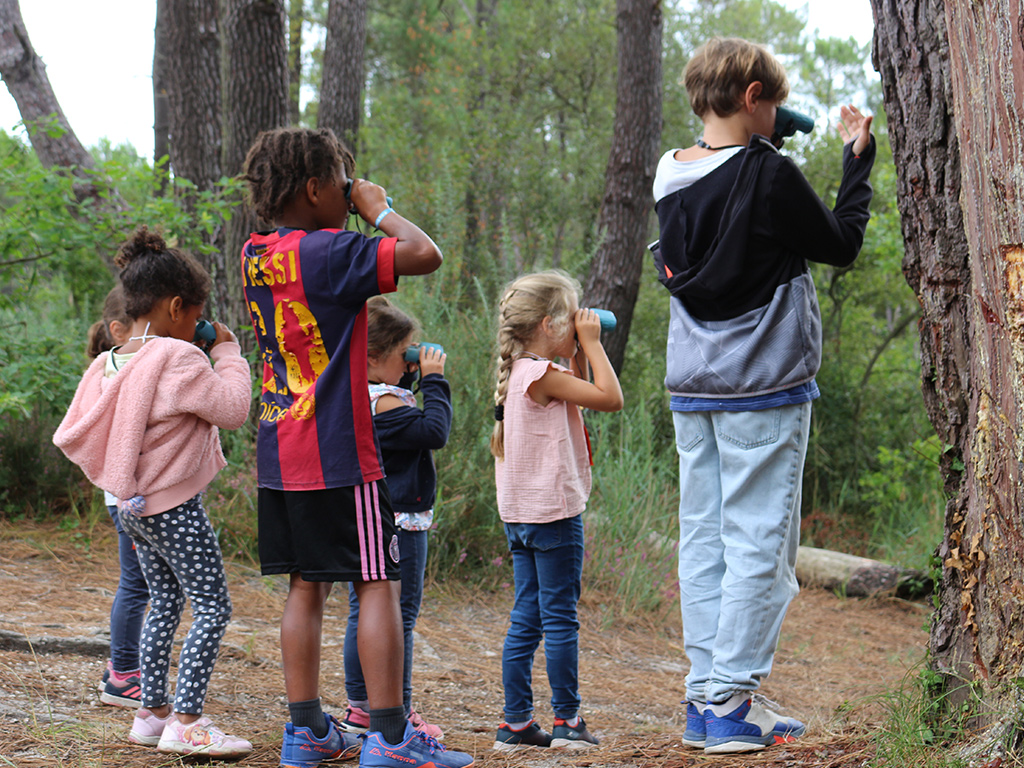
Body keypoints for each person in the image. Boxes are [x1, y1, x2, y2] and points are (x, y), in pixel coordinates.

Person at [651, 37, 875, 755]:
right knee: (758, 547)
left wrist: (779, 135)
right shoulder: (768, 172)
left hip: (694, 382)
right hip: (764, 385)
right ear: (752, 98)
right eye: (772, 102)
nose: (778, 115)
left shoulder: (669, 173)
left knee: (707, 538)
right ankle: (730, 706)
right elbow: (839, 243)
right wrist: (856, 162)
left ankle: (703, 696)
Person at [240, 126, 473, 768]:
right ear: (314, 188)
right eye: (343, 183)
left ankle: (306, 729)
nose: (351, 193)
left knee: (305, 585)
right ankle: (392, 738)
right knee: (378, 584)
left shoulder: (255, 253)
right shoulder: (333, 252)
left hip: (279, 446)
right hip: (340, 451)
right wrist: (378, 210)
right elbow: (425, 253)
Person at [53, 228, 254, 759]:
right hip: (174, 505)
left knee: (164, 601)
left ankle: (151, 712)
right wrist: (229, 351)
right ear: (174, 306)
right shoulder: (177, 358)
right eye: (194, 316)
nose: (196, 327)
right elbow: (232, 409)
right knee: (213, 605)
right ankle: (187, 720)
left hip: (131, 507)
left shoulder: (111, 362)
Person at [489, 270, 623, 752]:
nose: (579, 324)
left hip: (521, 516)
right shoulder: (542, 374)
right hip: (555, 516)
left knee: (528, 615)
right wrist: (594, 343)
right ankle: (567, 721)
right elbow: (612, 399)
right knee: (560, 617)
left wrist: (579, 352)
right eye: (572, 319)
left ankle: (516, 723)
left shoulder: (527, 371)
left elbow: (582, 401)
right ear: (549, 324)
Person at [340, 296, 451, 740]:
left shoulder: (364, 392)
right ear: (372, 356)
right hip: (399, 522)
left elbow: (411, 410)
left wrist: (410, 373)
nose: (410, 362)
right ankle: (394, 709)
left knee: (361, 612)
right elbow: (434, 431)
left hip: (370, 517)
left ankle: (361, 707)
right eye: (403, 352)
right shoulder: (384, 403)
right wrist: (435, 380)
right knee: (398, 618)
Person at [85, 285, 150, 709]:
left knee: (139, 583)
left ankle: (121, 667)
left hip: (127, 495)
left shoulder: (115, 365)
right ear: (118, 330)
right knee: (136, 584)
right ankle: (123, 677)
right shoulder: (118, 371)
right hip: (128, 497)